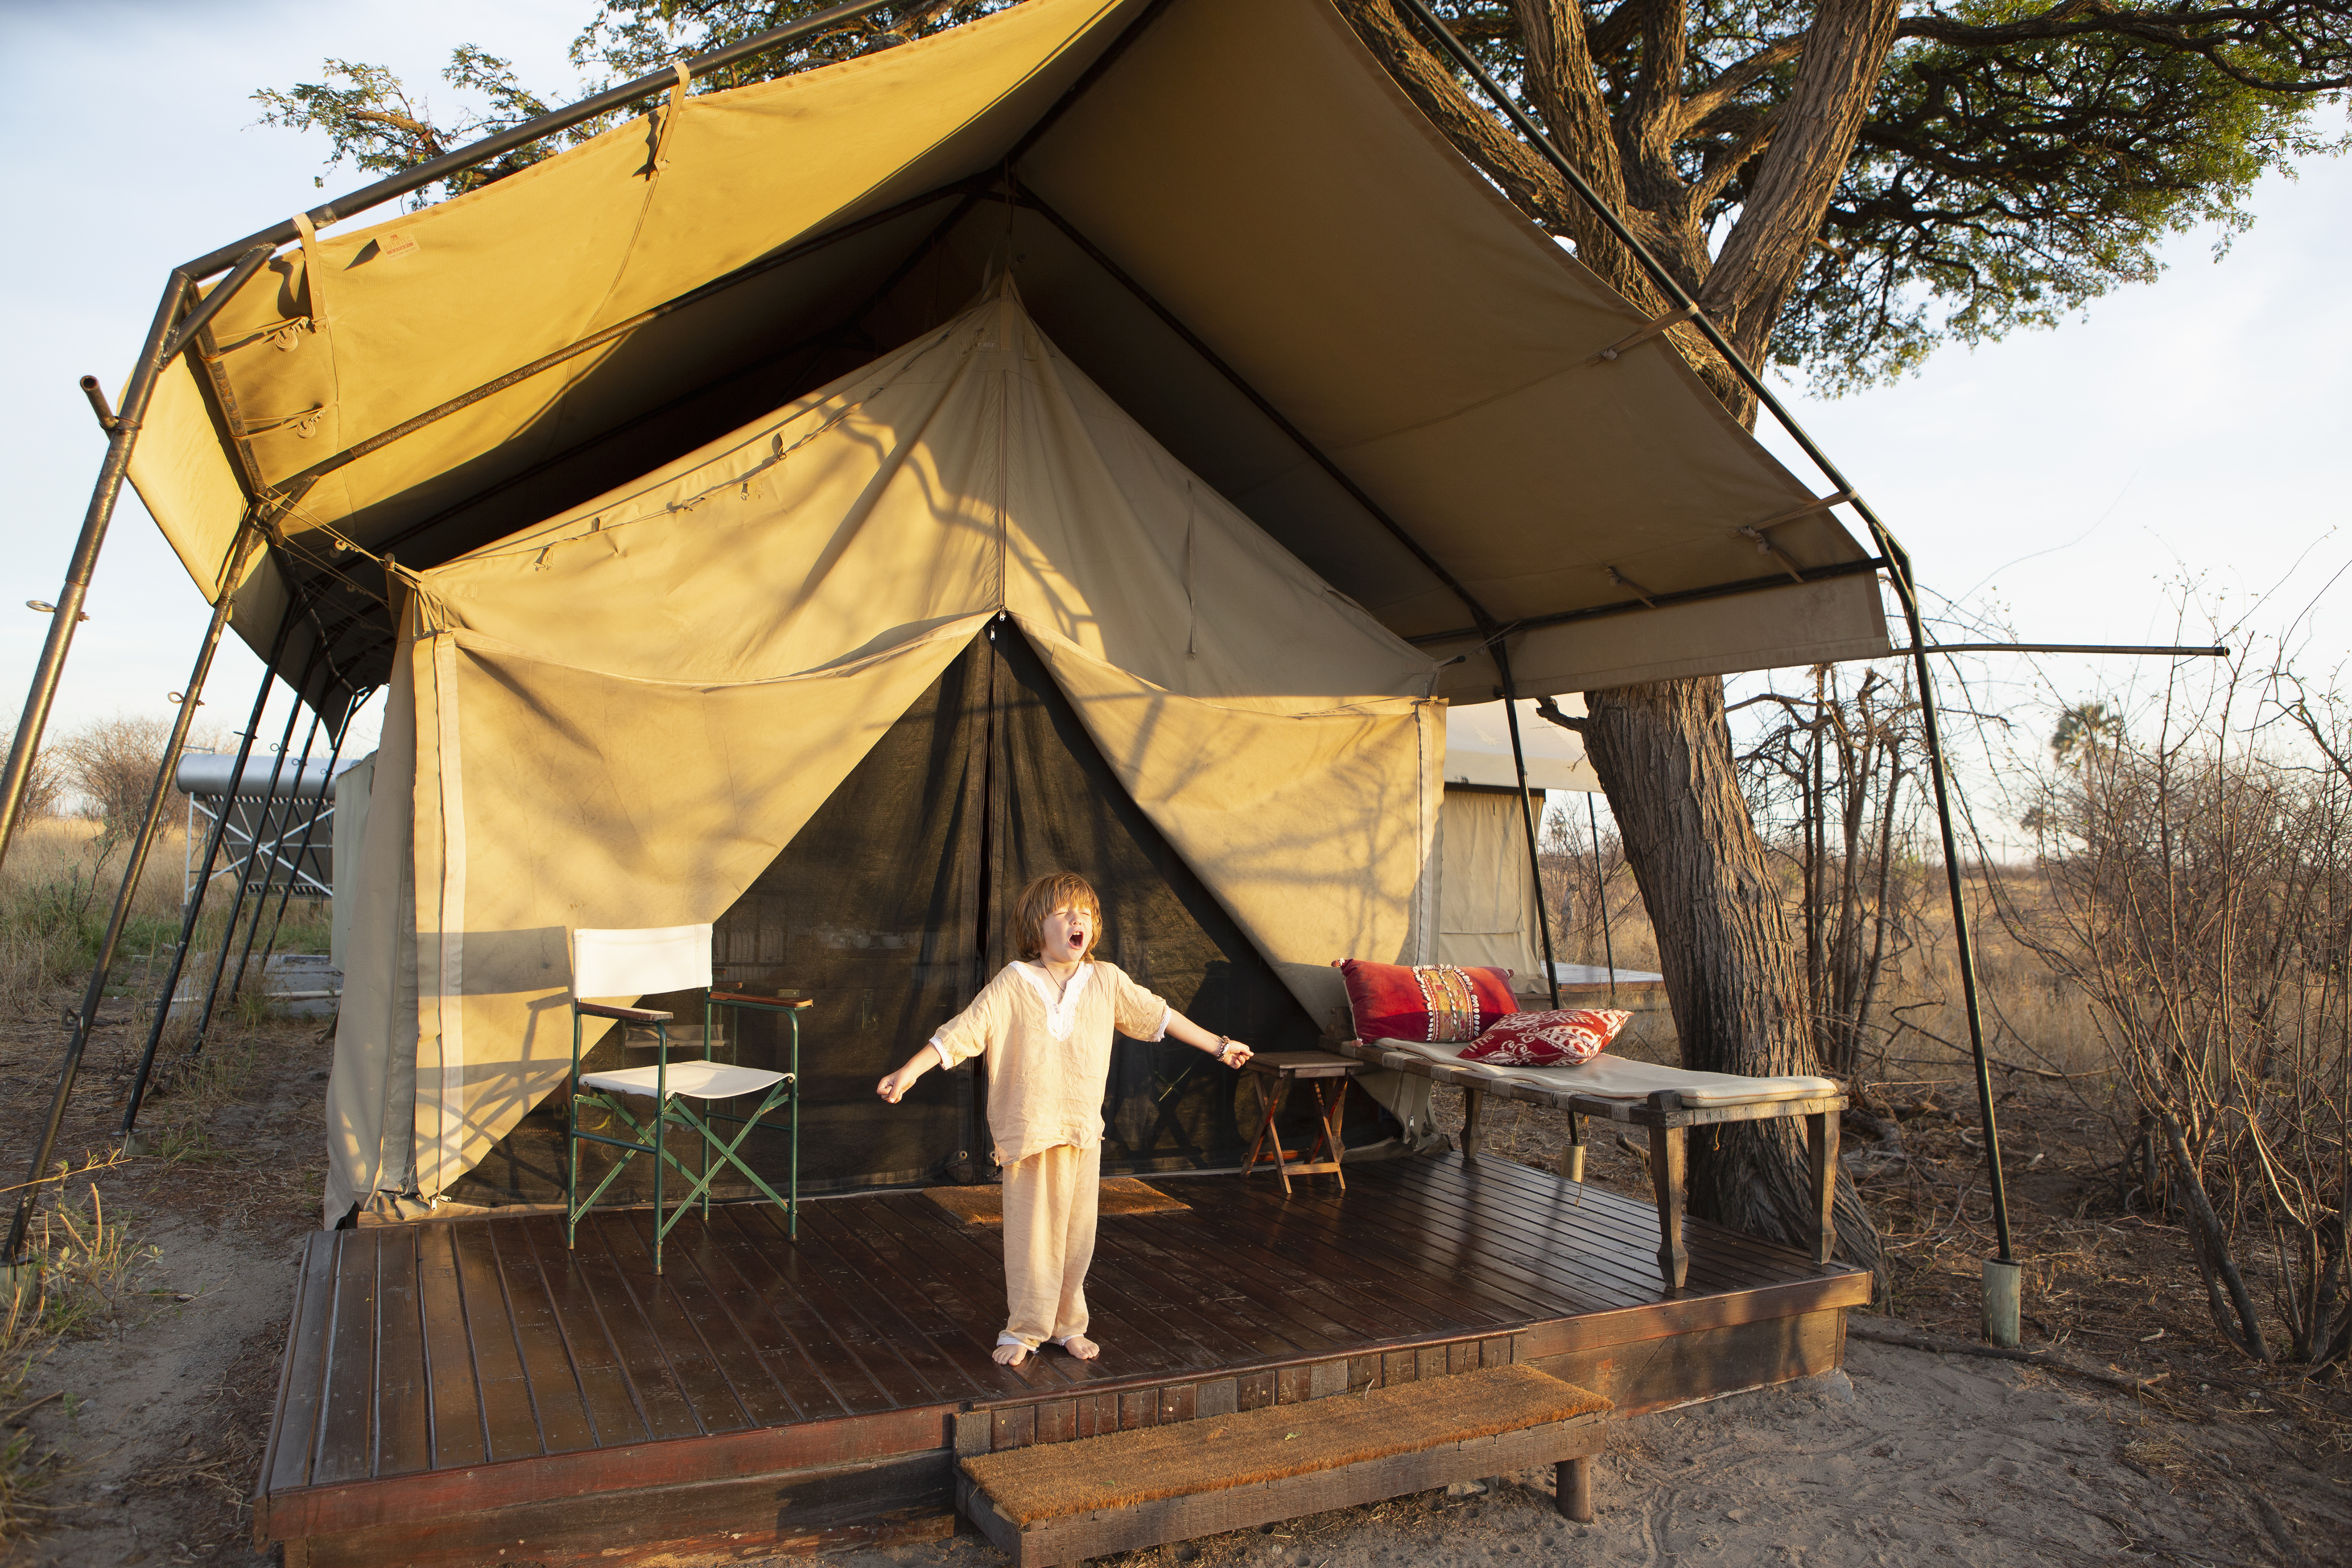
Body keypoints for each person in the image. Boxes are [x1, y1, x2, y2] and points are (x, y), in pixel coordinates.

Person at [877, 871, 1253, 1367]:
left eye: (1087, 914)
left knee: (1078, 1237)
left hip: (1081, 1131)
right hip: (1032, 1133)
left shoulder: (1107, 981)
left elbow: (1160, 1016)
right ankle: (1025, 1328)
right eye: (1064, 913)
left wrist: (1220, 1046)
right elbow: (963, 1031)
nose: (1078, 921)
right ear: (1038, 927)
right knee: (1035, 1238)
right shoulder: (1014, 981)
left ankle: (1066, 1325)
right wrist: (910, 1070)